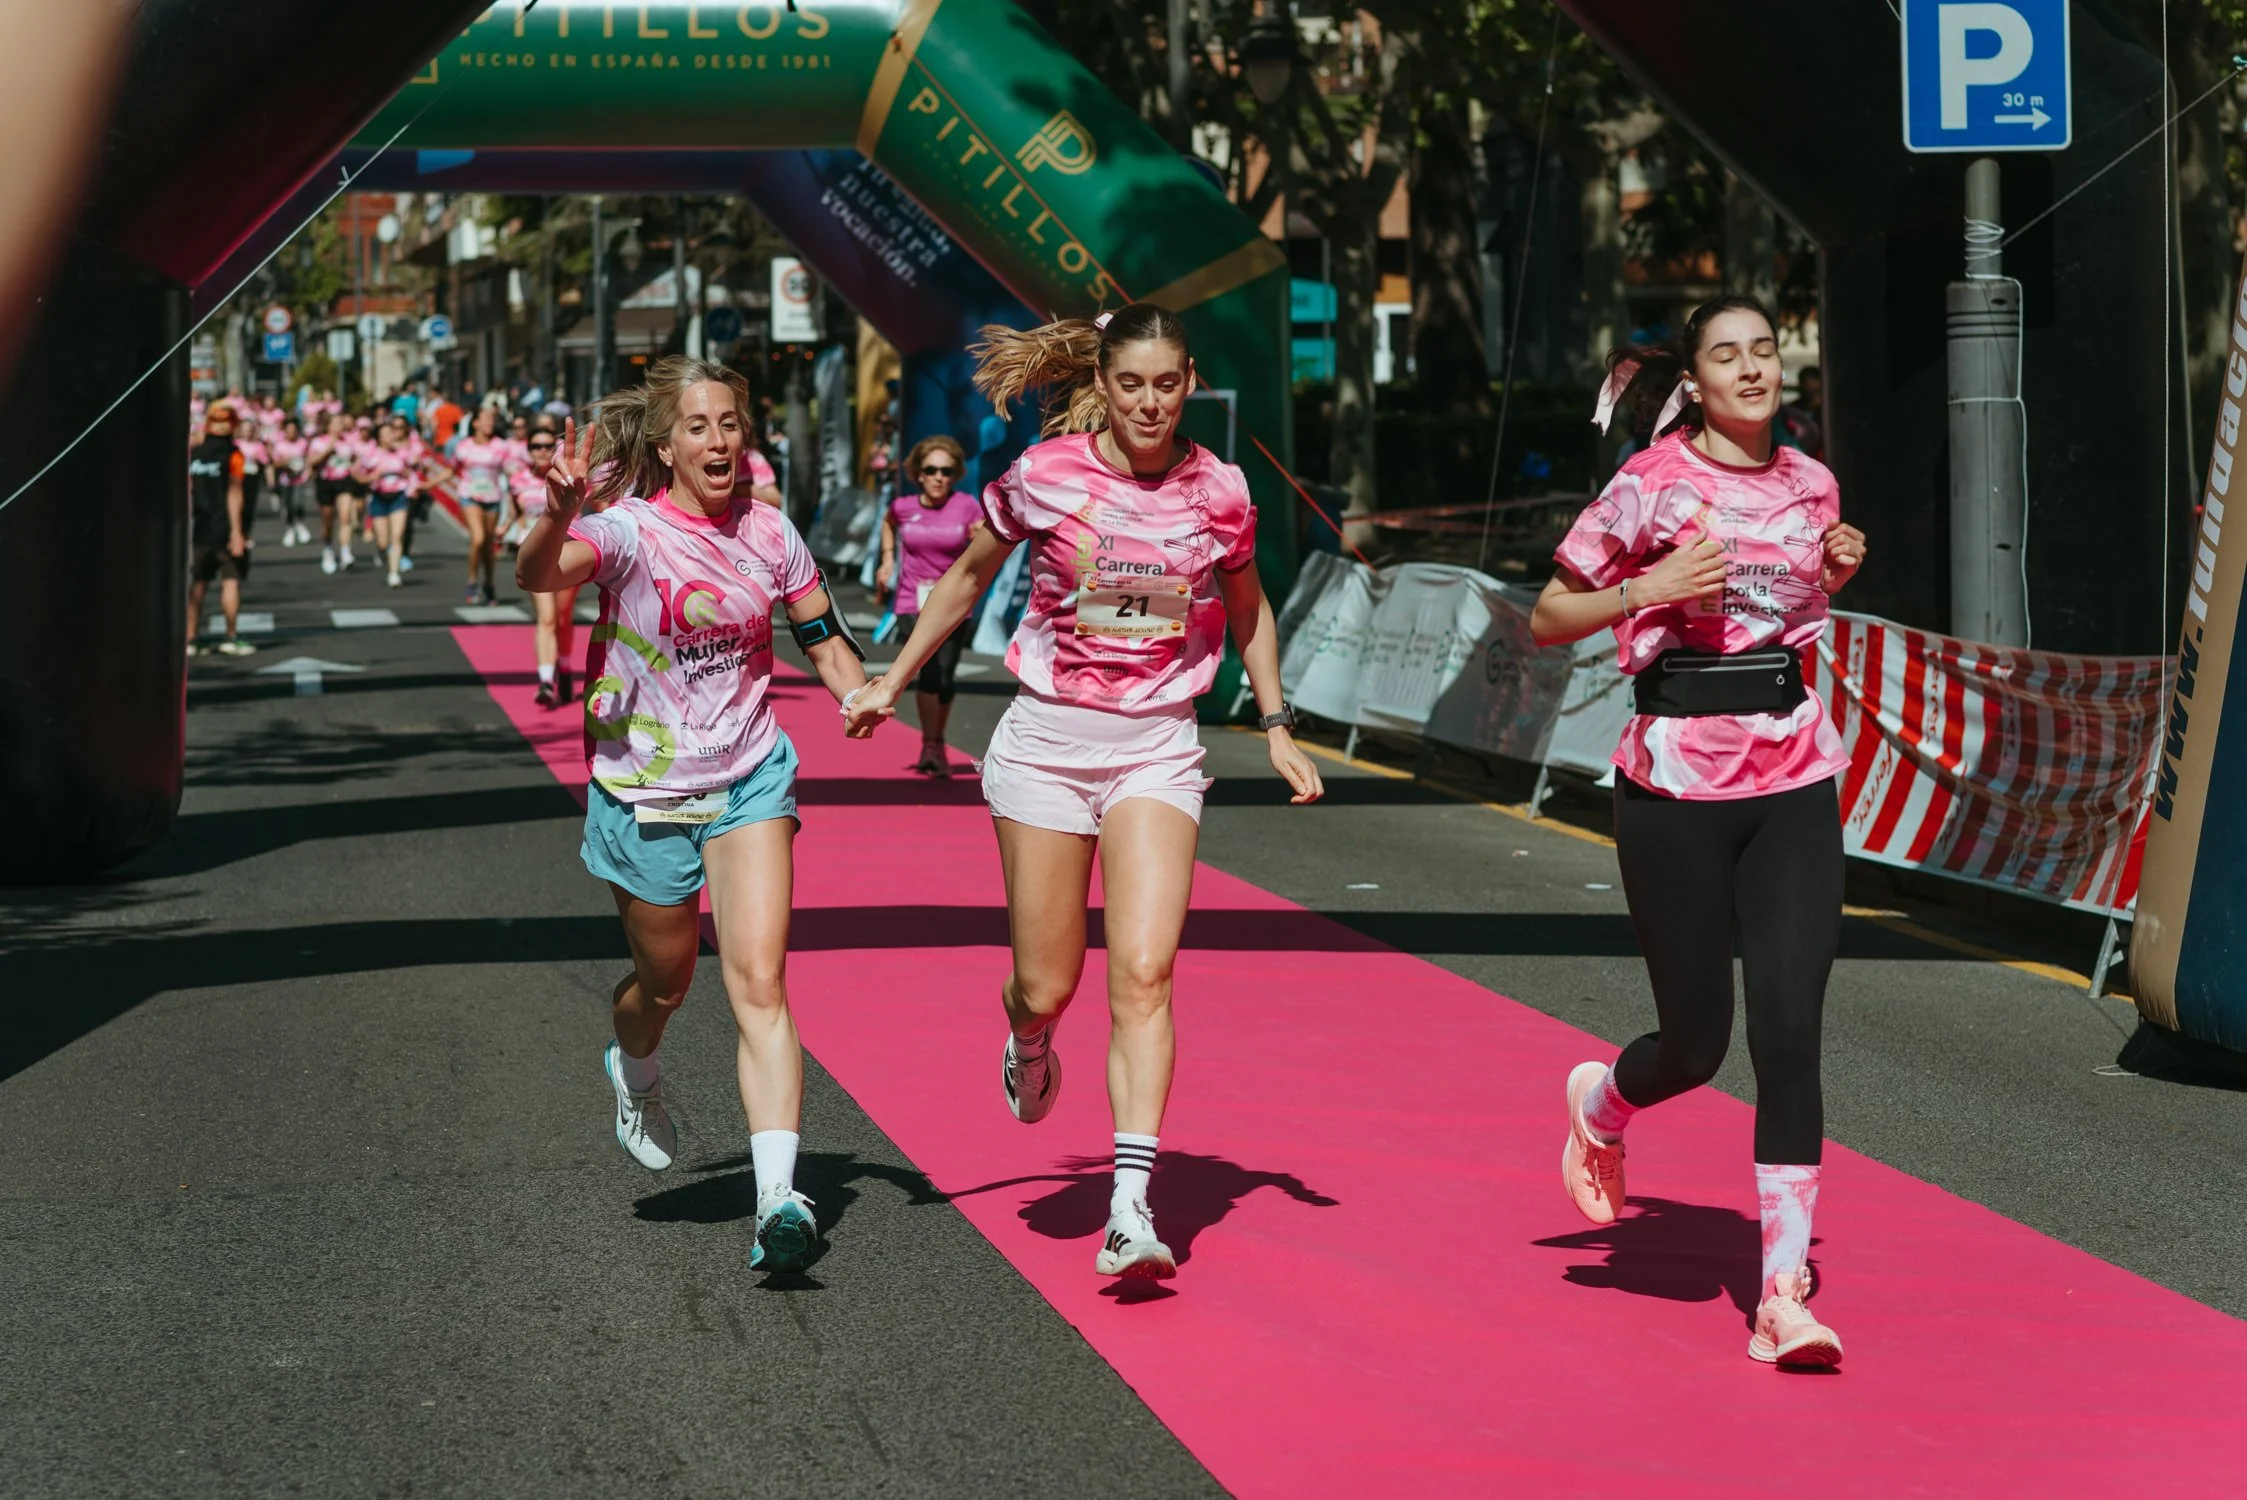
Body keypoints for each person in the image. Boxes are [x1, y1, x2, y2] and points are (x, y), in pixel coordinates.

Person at [845, 304, 1325, 1280]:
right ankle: (1027, 1034)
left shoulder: (1221, 491)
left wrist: (1275, 725)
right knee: (1048, 984)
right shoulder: (1045, 477)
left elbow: (1248, 606)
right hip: (1046, 748)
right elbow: (969, 578)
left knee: (1145, 974)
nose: (1150, 403)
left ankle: (1131, 1208)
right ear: (1102, 386)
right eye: (1131, 384)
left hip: (1159, 748)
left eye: (1167, 384)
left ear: (1190, 382)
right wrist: (892, 680)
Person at [1529, 296, 1868, 1368]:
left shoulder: (1813, 483)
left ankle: (1781, 1294)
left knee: (1788, 1031)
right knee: (1697, 1041)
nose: (1753, 368)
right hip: (1675, 783)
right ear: (1697, 381)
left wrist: (1839, 568)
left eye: (1764, 349)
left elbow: (1796, 610)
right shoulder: (1652, 481)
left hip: (1793, 775)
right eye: (1729, 355)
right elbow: (1548, 617)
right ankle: (1607, 1103)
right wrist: (1651, 585)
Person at [515, 355, 876, 1274]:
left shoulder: (770, 532)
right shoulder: (630, 533)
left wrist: (855, 692)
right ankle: (632, 1068)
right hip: (643, 789)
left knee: (759, 982)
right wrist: (558, 508)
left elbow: (820, 632)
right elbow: (540, 575)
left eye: (729, 424)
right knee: (665, 984)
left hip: (750, 773)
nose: (718, 441)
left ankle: (776, 1201)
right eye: (699, 426)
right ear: (668, 444)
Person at [875, 435, 982, 775]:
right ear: (918, 474)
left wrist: (980, 537)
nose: (939, 477)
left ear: (956, 475)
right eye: (931, 470)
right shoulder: (904, 507)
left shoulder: (966, 506)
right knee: (929, 669)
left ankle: (936, 740)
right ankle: (931, 746)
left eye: (947, 471)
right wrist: (888, 560)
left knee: (946, 676)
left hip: (952, 603)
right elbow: (888, 523)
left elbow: (984, 540)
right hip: (912, 600)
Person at [509, 423, 580, 708]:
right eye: (535, 446)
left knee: (563, 618)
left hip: (568, 554)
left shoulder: (569, 477)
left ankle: (564, 667)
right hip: (537, 556)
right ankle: (545, 681)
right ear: (527, 451)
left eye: (547, 446)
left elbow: (598, 504)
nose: (541, 451)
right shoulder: (517, 480)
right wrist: (507, 526)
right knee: (547, 617)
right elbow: (517, 511)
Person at [186, 401, 255, 657]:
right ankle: (230, 635)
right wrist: (237, 532)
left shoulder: (195, 454)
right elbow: (235, 493)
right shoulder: (233, 455)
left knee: (199, 583)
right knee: (230, 580)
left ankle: (191, 638)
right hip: (224, 528)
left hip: (199, 527)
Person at [355, 414, 440, 588]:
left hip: (399, 497)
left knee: (397, 536)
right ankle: (383, 553)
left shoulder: (403, 453)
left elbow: (416, 468)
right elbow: (357, 475)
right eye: (386, 433)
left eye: (392, 433)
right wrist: (372, 476)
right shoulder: (370, 453)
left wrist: (419, 470)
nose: (391, 436)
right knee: (383, 542)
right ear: (379, 437)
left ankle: (394, 574)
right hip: (379, 497)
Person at [450, 405, 511, 605]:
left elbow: (511, 471)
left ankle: (489, 583)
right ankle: (472, 581)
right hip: (469, 496)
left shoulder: (500, 446)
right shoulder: (464, 447)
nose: (489, 423)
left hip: (492, 498)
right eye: (485, 419)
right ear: (475, 423)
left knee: (487, 547)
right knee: (478, 539)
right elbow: (452, 470)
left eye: (492, 419)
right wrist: (427, 484)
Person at [310, 412, 359, 574]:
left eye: (341, 423)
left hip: (344, 481)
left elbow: (356, 458)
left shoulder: (348, 441)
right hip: (325, 482)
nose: (340, 426)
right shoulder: (318, 442)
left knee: (345, 515)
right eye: (336, 423)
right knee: (328, 520)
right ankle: (328, 549)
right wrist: (327, 451)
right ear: (329, 426)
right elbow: (310, 461)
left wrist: (355, 467)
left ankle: (346, 552)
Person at [272, 415, 312, 547]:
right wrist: (285, 463)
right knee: (288, 505)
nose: (291, 434)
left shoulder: (303, 443)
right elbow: (275, 463)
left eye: (294, 431)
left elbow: (309, 458)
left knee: (298, 503)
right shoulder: (280, 445)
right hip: (286, 479)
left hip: (300, 478)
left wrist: (307, 468)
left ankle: (299, 524)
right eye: (289, 431)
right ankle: (290, 528)